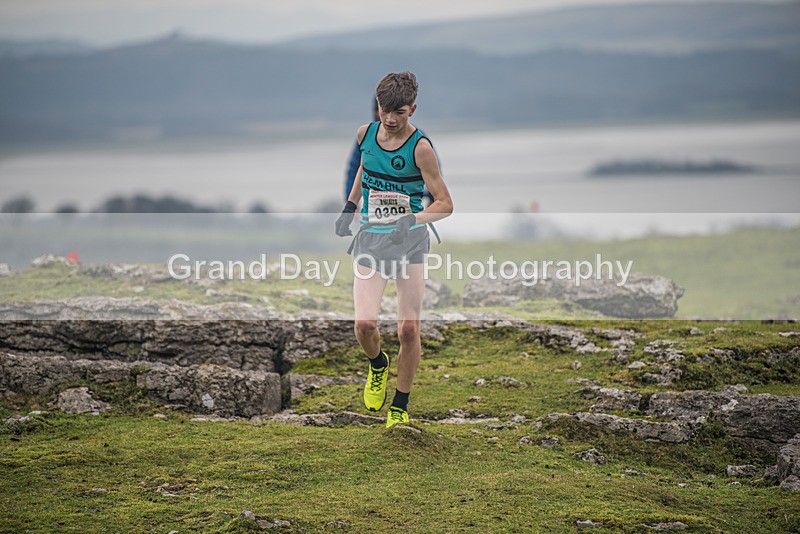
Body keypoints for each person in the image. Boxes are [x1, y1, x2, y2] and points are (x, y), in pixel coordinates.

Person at [335, 71, 453, 429]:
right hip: (371, 240)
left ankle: (399, 406)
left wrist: (414, 219)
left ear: (412, 109)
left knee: (408, 330)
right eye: (385, 110)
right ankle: (377, 364)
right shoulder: (364, 134)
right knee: (364, 324)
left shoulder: (421, 148)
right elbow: (365, 171)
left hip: (410, 244)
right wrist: (350, 206)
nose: (390, 119)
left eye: (399, 112)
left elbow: (446, 204)